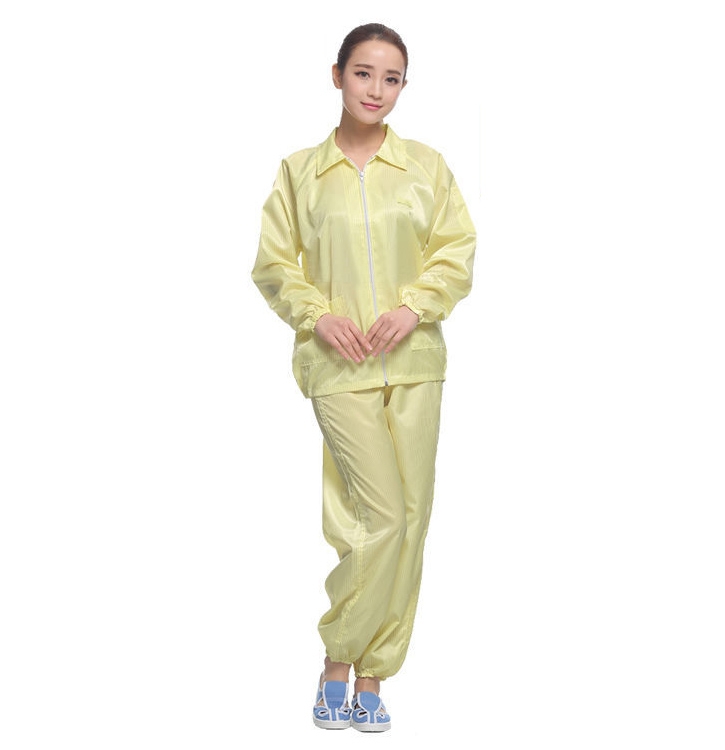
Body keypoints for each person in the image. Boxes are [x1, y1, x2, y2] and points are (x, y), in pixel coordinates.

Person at [251, 22, 476, 733]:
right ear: (337, 75)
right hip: (338, 367)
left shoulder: (428, 168)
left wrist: (415, 308)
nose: (377, 89)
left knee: (410, 519)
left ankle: (375, 672)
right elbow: (274, 264)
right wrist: (316, 317)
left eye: (392, 78)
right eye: (363, 73)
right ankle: (337, 658)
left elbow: (456, 251)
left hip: (415, 363)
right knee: (379, 517)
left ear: (403, 86)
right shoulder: (299, 173)